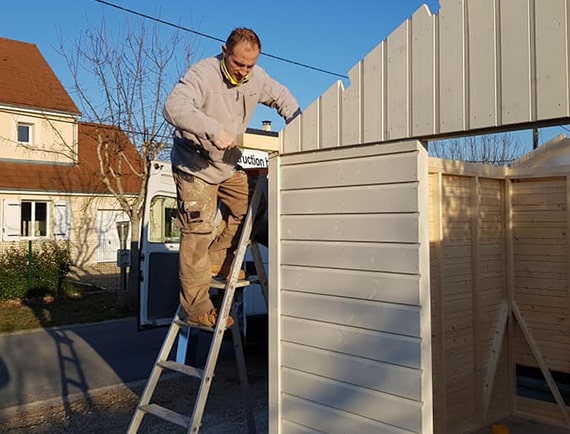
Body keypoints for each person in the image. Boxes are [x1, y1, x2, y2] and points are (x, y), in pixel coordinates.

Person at [163, 27, 301, 328]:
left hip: (226, 164)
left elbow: (282, 97)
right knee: (196, 233)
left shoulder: (257, 78)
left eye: (250, 65)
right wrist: (212, 129)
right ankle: (197, 309)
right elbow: (173, 107)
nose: (244, 71)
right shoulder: (203, 74)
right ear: (225, 51)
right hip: (194, 165)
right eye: (239, 64)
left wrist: (300, 124)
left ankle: (219, 260)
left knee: (252, 206)